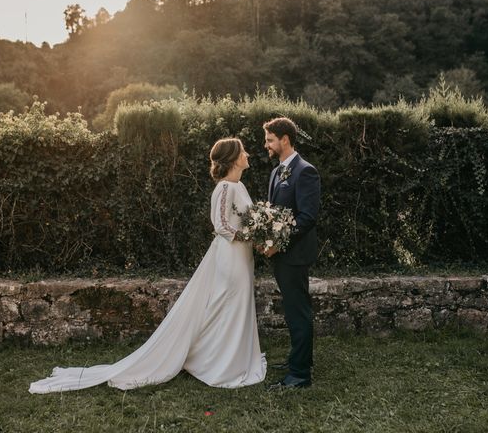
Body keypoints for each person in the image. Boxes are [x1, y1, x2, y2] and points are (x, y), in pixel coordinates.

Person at [29, 138, 266, 394]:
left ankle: (231, 358)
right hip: (229, 257)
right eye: (243, 151)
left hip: (242, 256)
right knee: (226, 306)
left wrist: (262, 232)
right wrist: (250, 236)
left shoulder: (240, 186)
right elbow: (221, 226)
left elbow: (245, 221)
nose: (247, 154)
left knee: (238, 306)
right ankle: (216, 363)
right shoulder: (224, 189)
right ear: (232, 158)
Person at [262, 117, 321, 389]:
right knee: (292, 308)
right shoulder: (276, 172)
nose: (267, 145)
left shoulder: (305, 171)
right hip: (280, 255)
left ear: (285, 139)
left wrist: (279, 242)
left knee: (298, 312)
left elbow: (307, 217)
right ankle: (299, 359)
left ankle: (299, 375)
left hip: (294, 254)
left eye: (270, 140)